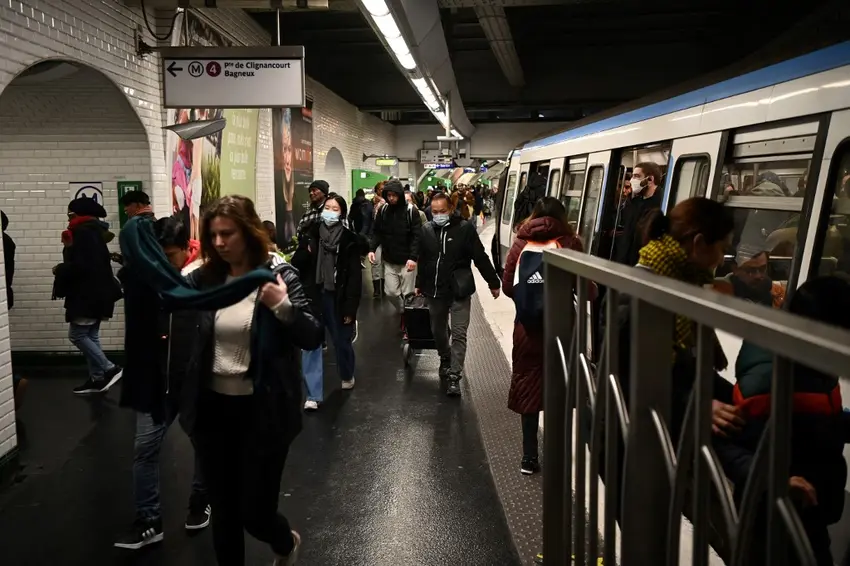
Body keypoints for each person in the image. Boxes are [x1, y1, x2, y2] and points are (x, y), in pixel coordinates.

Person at [118, 195, 322, 566]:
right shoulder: (204, 277)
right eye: (213, 235)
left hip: (265, 412)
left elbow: (312, 336)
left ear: (248, 232)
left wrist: (282, 306)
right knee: (225, 513)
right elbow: (167, 292)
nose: (219, 243)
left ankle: (284, 541)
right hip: (213, 411)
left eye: (227, 234)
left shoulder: (278, 275)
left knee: (255, 513)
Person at [714, 275, 850, 566]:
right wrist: (772, 481)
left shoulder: (819, 365)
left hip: (811, 509)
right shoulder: (768, 378)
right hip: (770, 513)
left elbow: (821, 418)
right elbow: (729, 441)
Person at [114, 215, 211, 550]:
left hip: (194, 383)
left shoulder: (203, 278)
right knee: (144, 449)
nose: (164, 263)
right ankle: (148, 520)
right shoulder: (147, 281)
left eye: (170, 256)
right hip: (157, 383)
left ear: (186, 250)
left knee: (204, 446)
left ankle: (201, 499)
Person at [502, 197, 590, 475]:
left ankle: (529, 458)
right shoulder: (570, 242)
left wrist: (530, 301)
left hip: (527, 330)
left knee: (529, 388)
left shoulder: (520, 242)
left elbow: (507, 287)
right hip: (562, 328)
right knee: (560, 387)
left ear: (535, 214)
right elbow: (587, 290)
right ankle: (558, 453)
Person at [415, 192, 501, 396]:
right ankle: (444, 356)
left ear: (451, 209)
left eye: (442, 211)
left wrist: (493, 281)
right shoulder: (426, 230)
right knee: (438, 330)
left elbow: (479, 257)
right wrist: (419, 283)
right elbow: (423, 259)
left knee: (460, 333)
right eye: (434, 212)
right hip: (435, 290)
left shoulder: (464, 229)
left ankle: (454, 375)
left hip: (459, 290)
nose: (438, 215)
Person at [292, 193, 362, 409]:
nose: (330, 211)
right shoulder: (311, 235)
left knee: (341, 340)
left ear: (342, 213)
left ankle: (347, 373)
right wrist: (305, 249)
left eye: (335, 208)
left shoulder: (349, 240)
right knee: (311, 343)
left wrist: (351, 307)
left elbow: (353, 278)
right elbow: (297, 263)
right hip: (314, 294)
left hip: (338, 297)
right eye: (327, 207)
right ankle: (313, 395)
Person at [52, 197, 123, 395]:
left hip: (87, 294)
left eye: (70, 214)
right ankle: (97, 379)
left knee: (77, 335)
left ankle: (110, 368)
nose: (68, 217)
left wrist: (61, 268)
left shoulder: (83, 232)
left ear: (78, 215)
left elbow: (83, 266)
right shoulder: (93, 231)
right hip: (98, 293)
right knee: (90, 335)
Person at [369, 180, 422, 330]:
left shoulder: (411, 211)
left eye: (394, 195)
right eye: (389, 195)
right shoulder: (383, 210)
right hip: (390, 260)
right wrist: (372, 248)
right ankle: (403, 311)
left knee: (408, 294)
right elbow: (377, 231)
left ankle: (408, 323)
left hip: (407, 262)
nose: (391, 198)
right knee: (390, 292)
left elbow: (416, 236)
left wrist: (413, 257)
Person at [613, 161, 663, 266]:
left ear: (650, 179)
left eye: (636, 176)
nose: (632, 180)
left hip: (643, 262)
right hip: (626, 261)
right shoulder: (634, 202)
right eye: (632, 177)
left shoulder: (661, 203)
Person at [369, 183, 386, 299]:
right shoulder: (372, 203)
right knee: (376, 262)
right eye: (380, 189)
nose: (382, 191)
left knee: (385, 263)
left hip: (386, 238)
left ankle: (384, 288)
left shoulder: (387, 203)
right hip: (376, 237)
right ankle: (376, 289)